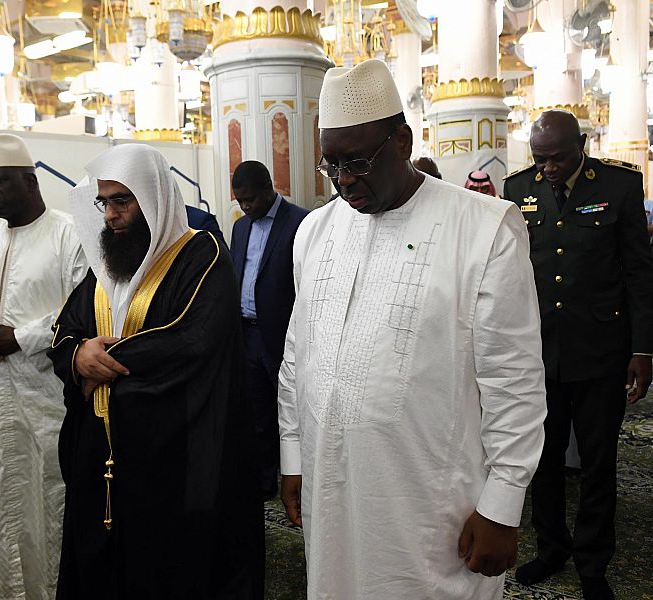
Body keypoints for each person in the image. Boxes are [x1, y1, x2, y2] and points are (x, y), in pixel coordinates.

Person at [277, 58, 547, 599]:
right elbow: (296, 357)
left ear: (402, 140)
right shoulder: (315, 231)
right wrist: (294, 457)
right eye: (332, 165)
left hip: (431, 497)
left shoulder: (484, 227)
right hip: (332, 484)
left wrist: (503, 503)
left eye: (357, 160)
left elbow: (513, 383)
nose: (345, 179)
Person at [47, 144, 263, 599]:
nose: (110, 215)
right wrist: (78, 356)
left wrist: (101, 365)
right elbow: (66, 330)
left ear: (153, 199)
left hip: (173, 459)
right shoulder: (107, 266)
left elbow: (188, 342)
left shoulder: (199, 256)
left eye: (121, 201)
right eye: (104, 202)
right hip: (103, 457)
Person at [502, 110, 653, 600]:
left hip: (601, 353)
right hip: (538, 355)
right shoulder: (516, 189)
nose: (546, 168)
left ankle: (592, 561)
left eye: (556, 158)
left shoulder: (620, 187)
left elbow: (638, 273)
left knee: (597, 462)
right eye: (539, 158)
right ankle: (550, 548)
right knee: (541, 460)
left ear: (581, 144)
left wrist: (643, 348)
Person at [0, 133, 87, 599]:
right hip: (3, 396)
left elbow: (80, 312)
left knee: (54, 500)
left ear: (30, 181)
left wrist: (18, 337)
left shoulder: (68, 234)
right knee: (10, 495)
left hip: (53, 397)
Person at [229, 160, 309, 499]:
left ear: (268, 188)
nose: (246, 207)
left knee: (294, 412)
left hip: (284, 336)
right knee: (258, 413)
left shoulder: (302, 222)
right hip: (248, 335)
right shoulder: (240, 227)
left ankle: (302, 480)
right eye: (240, 202)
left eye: (250, 200)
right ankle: (264, 483)